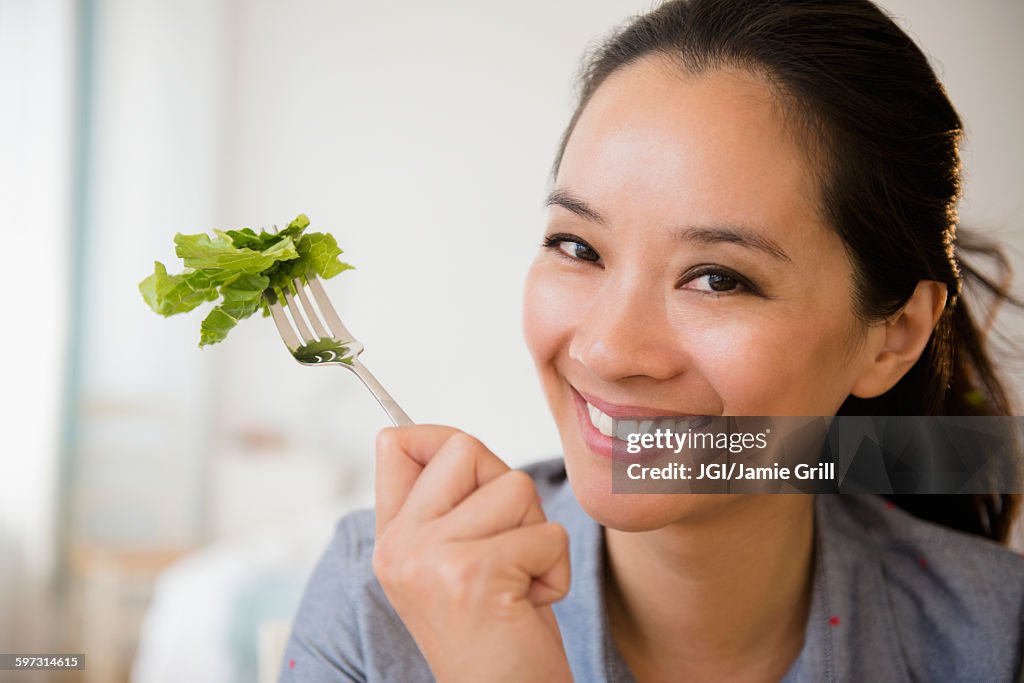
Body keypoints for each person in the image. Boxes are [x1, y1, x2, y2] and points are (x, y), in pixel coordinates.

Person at [279, 0, 1024, 680]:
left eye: (719, 278)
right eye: (578, 247)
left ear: (893, 336)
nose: (605, 350)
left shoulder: (997, 636)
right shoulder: (375, 604)